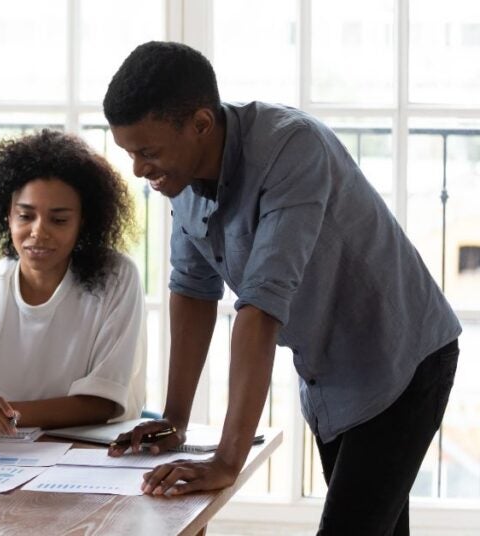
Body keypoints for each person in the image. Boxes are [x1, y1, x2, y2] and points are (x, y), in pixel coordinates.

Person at [102, 41, 460, 535]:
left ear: (201, 125)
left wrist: (227, 459)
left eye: (148, 152)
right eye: (129, 153)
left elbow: (262, 306)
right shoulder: (180, 181)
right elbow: (192, 288)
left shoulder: (292, 148)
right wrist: (174, 420)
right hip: (331, 376)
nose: (138, 170)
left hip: (403, 361)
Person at [0, 130, 146, 445]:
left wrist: (2, 413)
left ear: (83, 222)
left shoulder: (115, 278)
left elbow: (102, 403)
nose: (38, 232)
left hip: (96, 454)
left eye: (58, 220)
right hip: (9, 456)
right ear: (7, 215)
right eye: (25, 216)